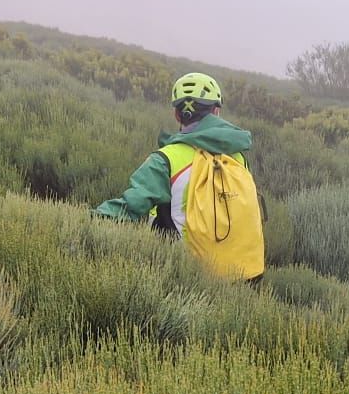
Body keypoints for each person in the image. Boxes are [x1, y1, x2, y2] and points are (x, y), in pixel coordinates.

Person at [94, 72, 265, 281]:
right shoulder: (238, 156)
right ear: (216, 111)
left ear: (177, 114)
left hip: (191, 276)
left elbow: (129, 207)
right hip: (248, 275)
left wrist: (87, 219)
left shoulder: (165, 159)